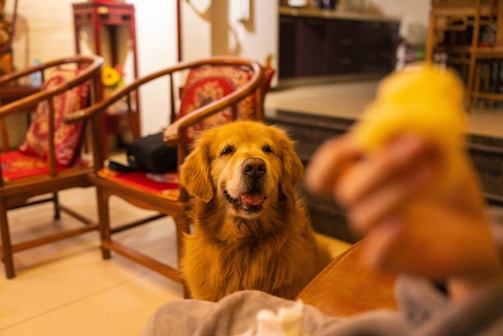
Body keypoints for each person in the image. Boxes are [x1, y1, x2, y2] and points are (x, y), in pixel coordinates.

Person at [141, 133, 503, 336]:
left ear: (283, 173)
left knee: (168, 320)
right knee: (166, 315)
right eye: (228, 151)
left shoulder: (299, 255)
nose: (253, 162)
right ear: (204, 173)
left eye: (267, 152)